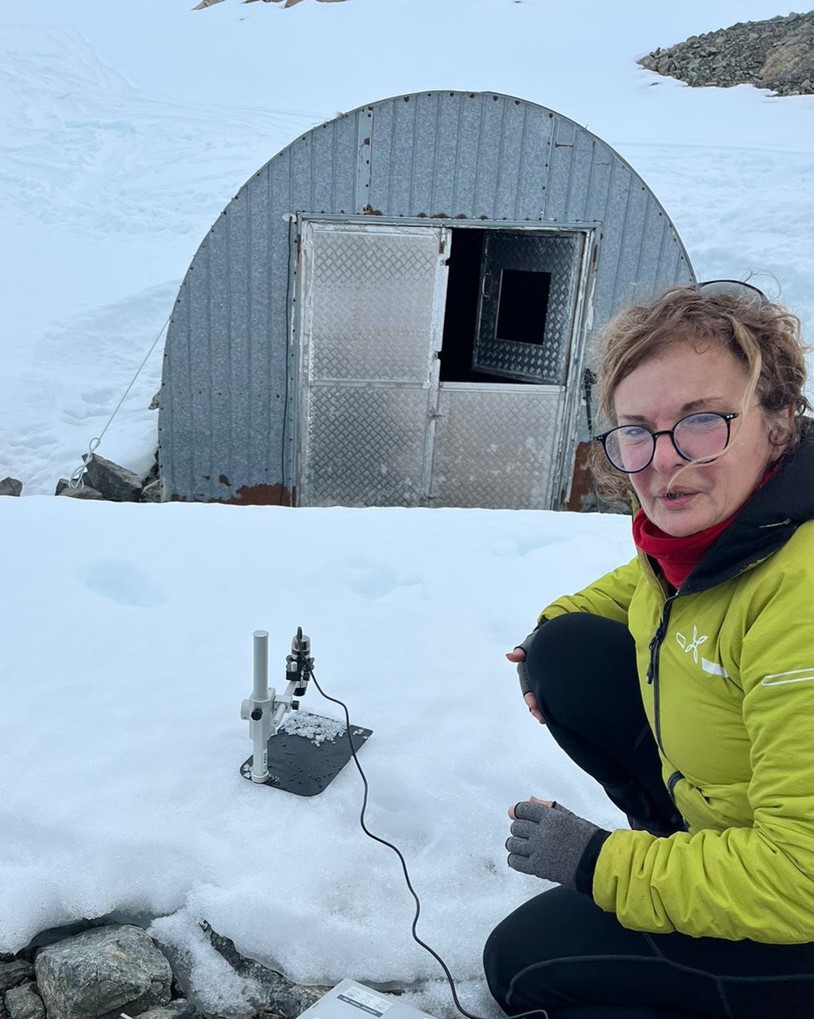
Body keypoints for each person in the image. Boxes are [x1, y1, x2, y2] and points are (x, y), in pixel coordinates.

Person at [483, 281, 814, 1019]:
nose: (664, 461)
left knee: (525, 969)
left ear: (779, 423)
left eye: (703, 421)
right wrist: (542, 642)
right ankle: (684, 853)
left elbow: (802, 876)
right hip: (738, 831)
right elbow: (622, 592)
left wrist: (601, 862)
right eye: (636, 429)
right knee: (565, 650)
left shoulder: (800, 592)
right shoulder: (709, 540)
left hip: (800, 904)